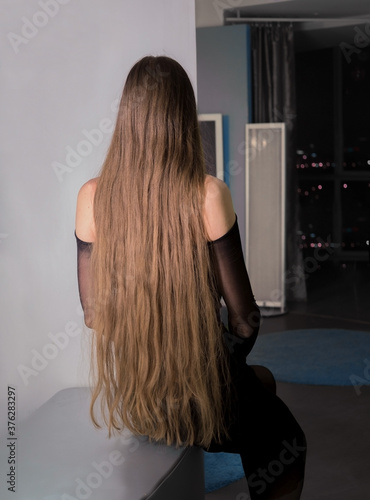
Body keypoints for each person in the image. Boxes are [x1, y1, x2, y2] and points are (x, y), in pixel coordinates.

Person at [75, 55, 306, 499]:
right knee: (288, 444)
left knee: (264, 383)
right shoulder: (206, 193)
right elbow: (244, 319)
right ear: (183, 116)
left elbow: (94, 315)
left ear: (128, 116)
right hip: (200, 396)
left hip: (139, 398)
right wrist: (210, 369)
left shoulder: (91, 196)